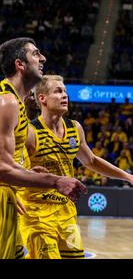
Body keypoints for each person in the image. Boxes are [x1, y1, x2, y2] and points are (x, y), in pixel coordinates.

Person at [19, 75, 133, 259]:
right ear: (42, 98)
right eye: (58, 91)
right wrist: (28, 172)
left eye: (65, 91)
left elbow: (90, 160)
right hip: (36, 213)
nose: (65, 95)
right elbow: (11, 167)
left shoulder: (75, 128)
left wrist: (128, 176)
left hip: (66, 212)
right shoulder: (29, 132)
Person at [0, 38, 86, 259]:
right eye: (36, 54)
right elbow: (1, 167)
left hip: (11, 196)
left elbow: (8, 162)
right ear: (20, 64)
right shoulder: (7, 101)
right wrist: (56, 181)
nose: (43, 58)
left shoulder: (15, 102)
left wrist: (25, 176)